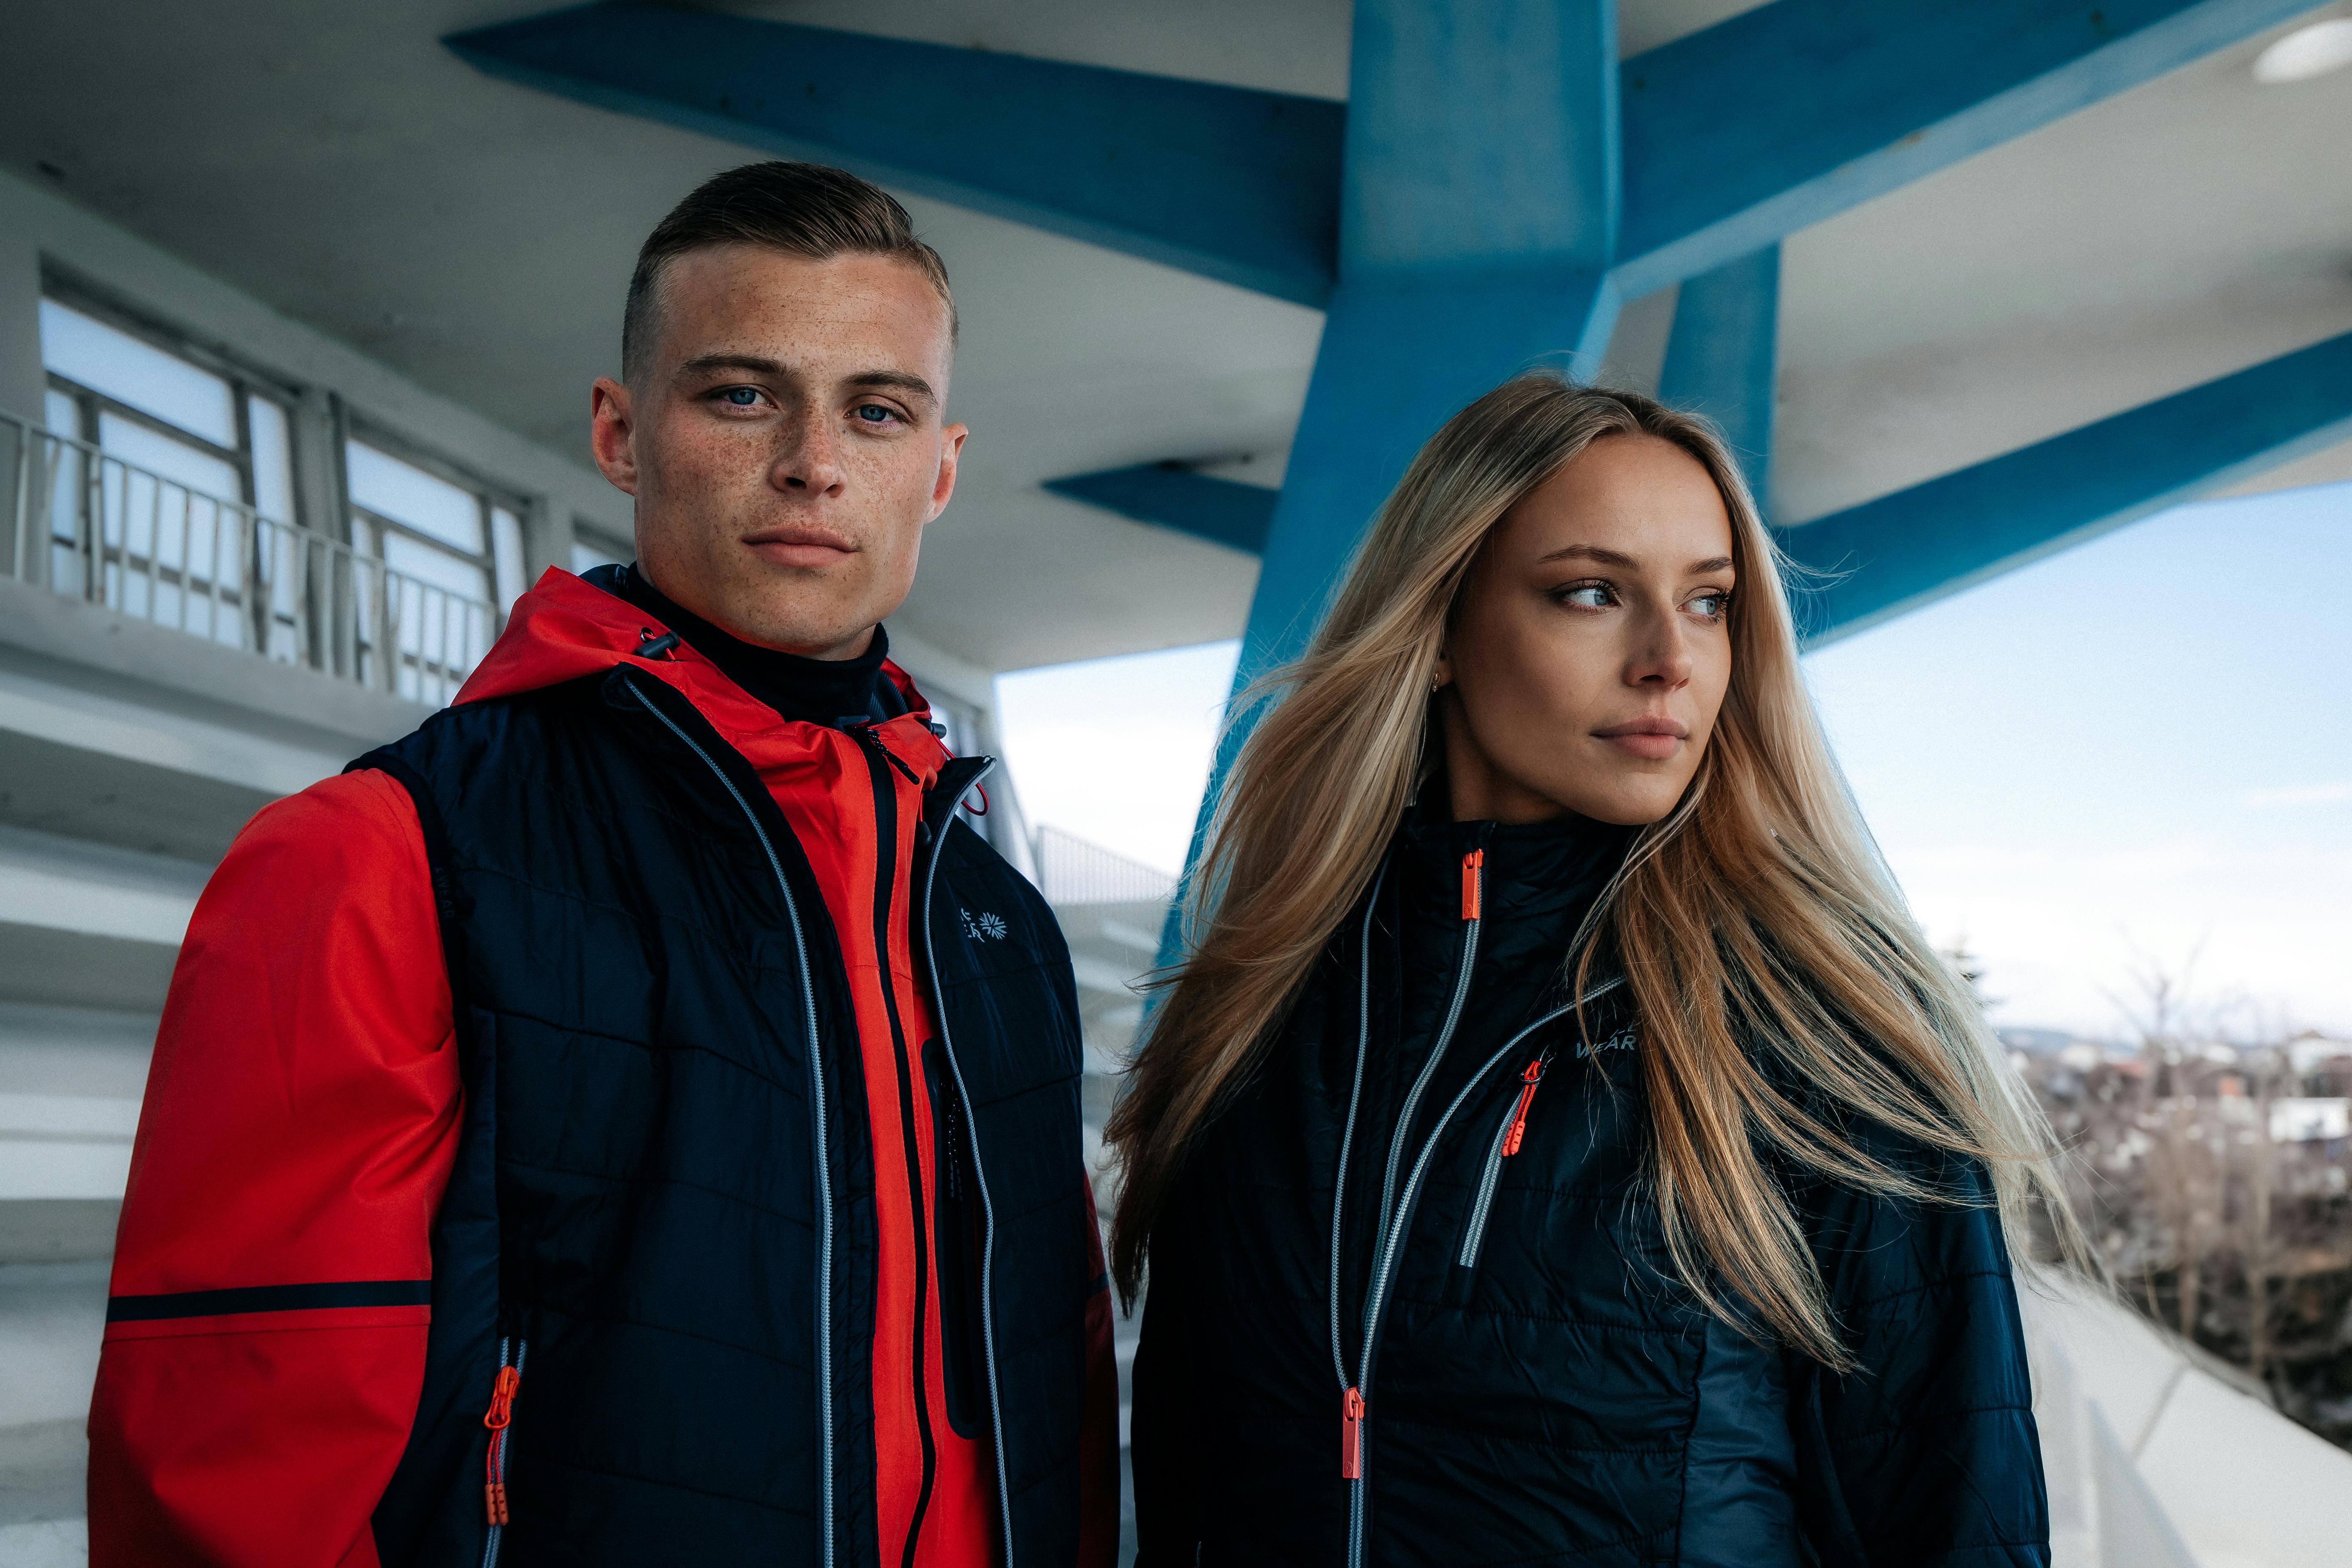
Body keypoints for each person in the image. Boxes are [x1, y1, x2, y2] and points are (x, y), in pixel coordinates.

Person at [88, 161, 1117, 1568]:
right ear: (621, 434)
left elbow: (1058, 1387)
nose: (814, 462)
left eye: (876, 411)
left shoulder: (996, 920)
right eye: (742, 395)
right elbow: (232, 1447)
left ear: (937, 471)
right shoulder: (383, 854)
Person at [1111, 375, 2076, 1567]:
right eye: (1591, 593)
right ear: (1441, 626)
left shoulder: (1816, 1022)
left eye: (1710, 602)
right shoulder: (1264, 1005)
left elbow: (1959, 1523)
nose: (1671, 659)